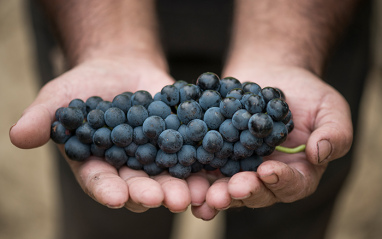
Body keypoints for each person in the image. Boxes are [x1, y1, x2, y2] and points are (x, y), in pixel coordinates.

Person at [10, 0, 372, 238]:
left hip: (309, 19)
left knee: (284, 217)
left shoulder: (263, 120)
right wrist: (107, 43)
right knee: (111, 225)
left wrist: (286, 50)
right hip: (91, 14)